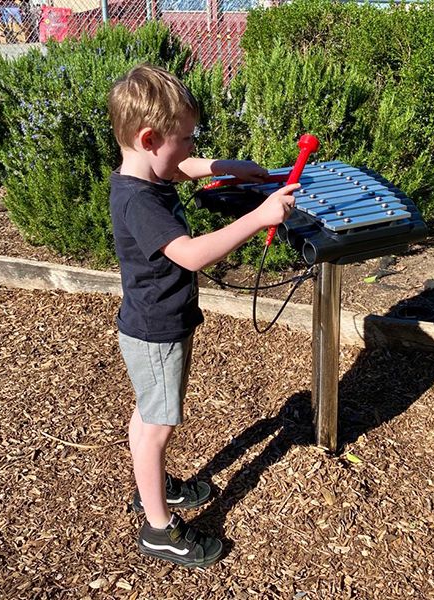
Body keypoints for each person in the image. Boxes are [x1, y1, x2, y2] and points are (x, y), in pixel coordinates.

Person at [107, 63, 299, 568]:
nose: (192, 150)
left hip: (159, 324)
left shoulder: (147, 169)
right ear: (150, 138)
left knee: (149, 417)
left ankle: (156, 488)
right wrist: (258, 218)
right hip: (157, 331)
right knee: (157, 425)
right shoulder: (138, 202)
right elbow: (190, 255)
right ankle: (157, 528)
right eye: (187, 140)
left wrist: (228, 167)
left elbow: (184, 168)